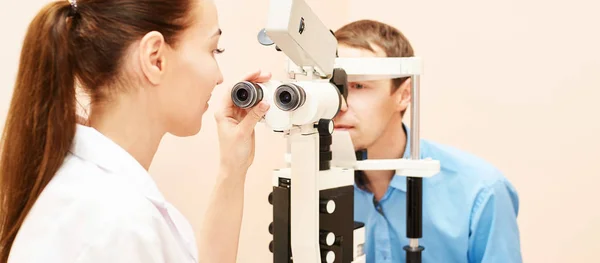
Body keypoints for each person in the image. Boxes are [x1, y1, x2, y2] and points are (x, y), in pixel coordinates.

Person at [0, 0, 271, 262]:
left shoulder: (92, 196)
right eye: (213, 49)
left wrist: (232, 169)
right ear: (155, 59)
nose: (219, 76)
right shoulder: (117, 224)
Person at [332, 20, 522, 263]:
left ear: (404, 94)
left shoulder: (481, 191)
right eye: (333, 86)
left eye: (358, 85)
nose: (340, 104)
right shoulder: (315, 186)